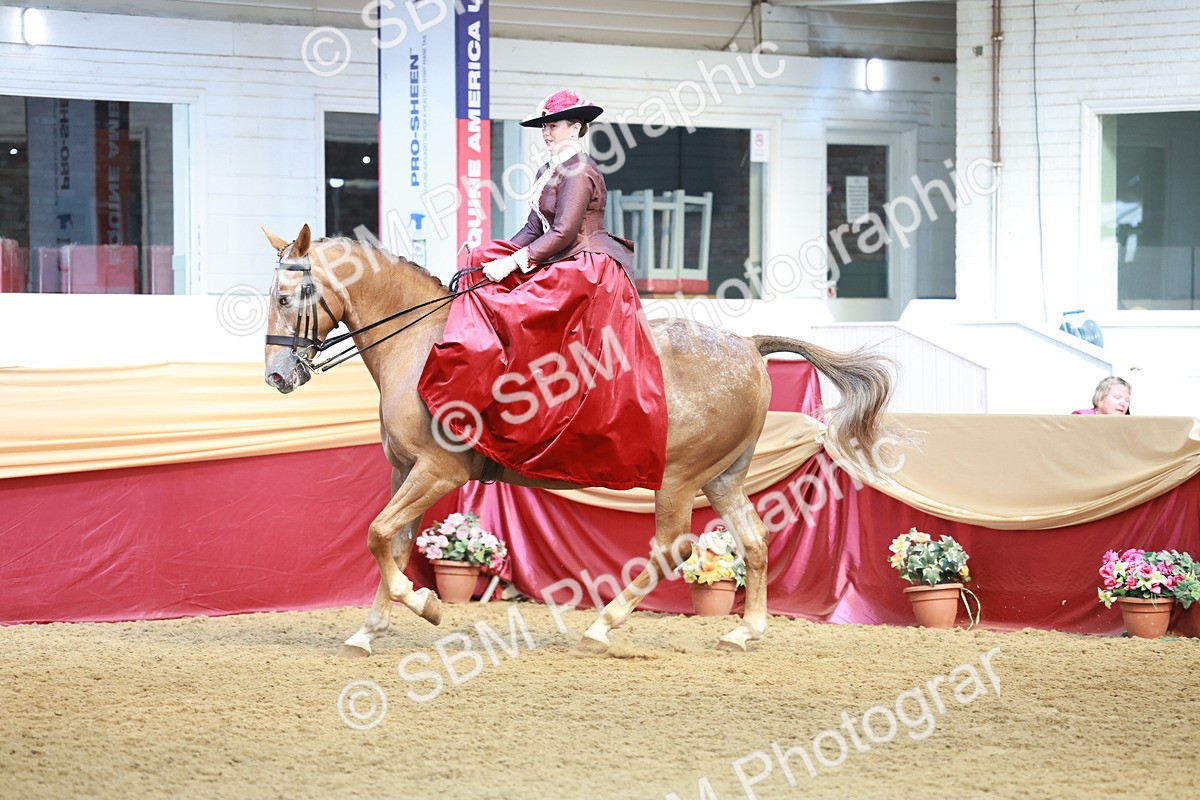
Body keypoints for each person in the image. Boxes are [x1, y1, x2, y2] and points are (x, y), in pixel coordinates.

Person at [418, 90, 668, 490]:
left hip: (588, 266)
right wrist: (491, 257)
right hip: (558, 255)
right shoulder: (548, 172)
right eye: (545, 126)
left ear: (576, 127)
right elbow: (533, 231)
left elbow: (565, 231)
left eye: (553, 125)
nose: (547, 133)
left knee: (523, 308)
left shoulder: (580, 170)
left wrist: (515, 263)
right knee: (481, 256)